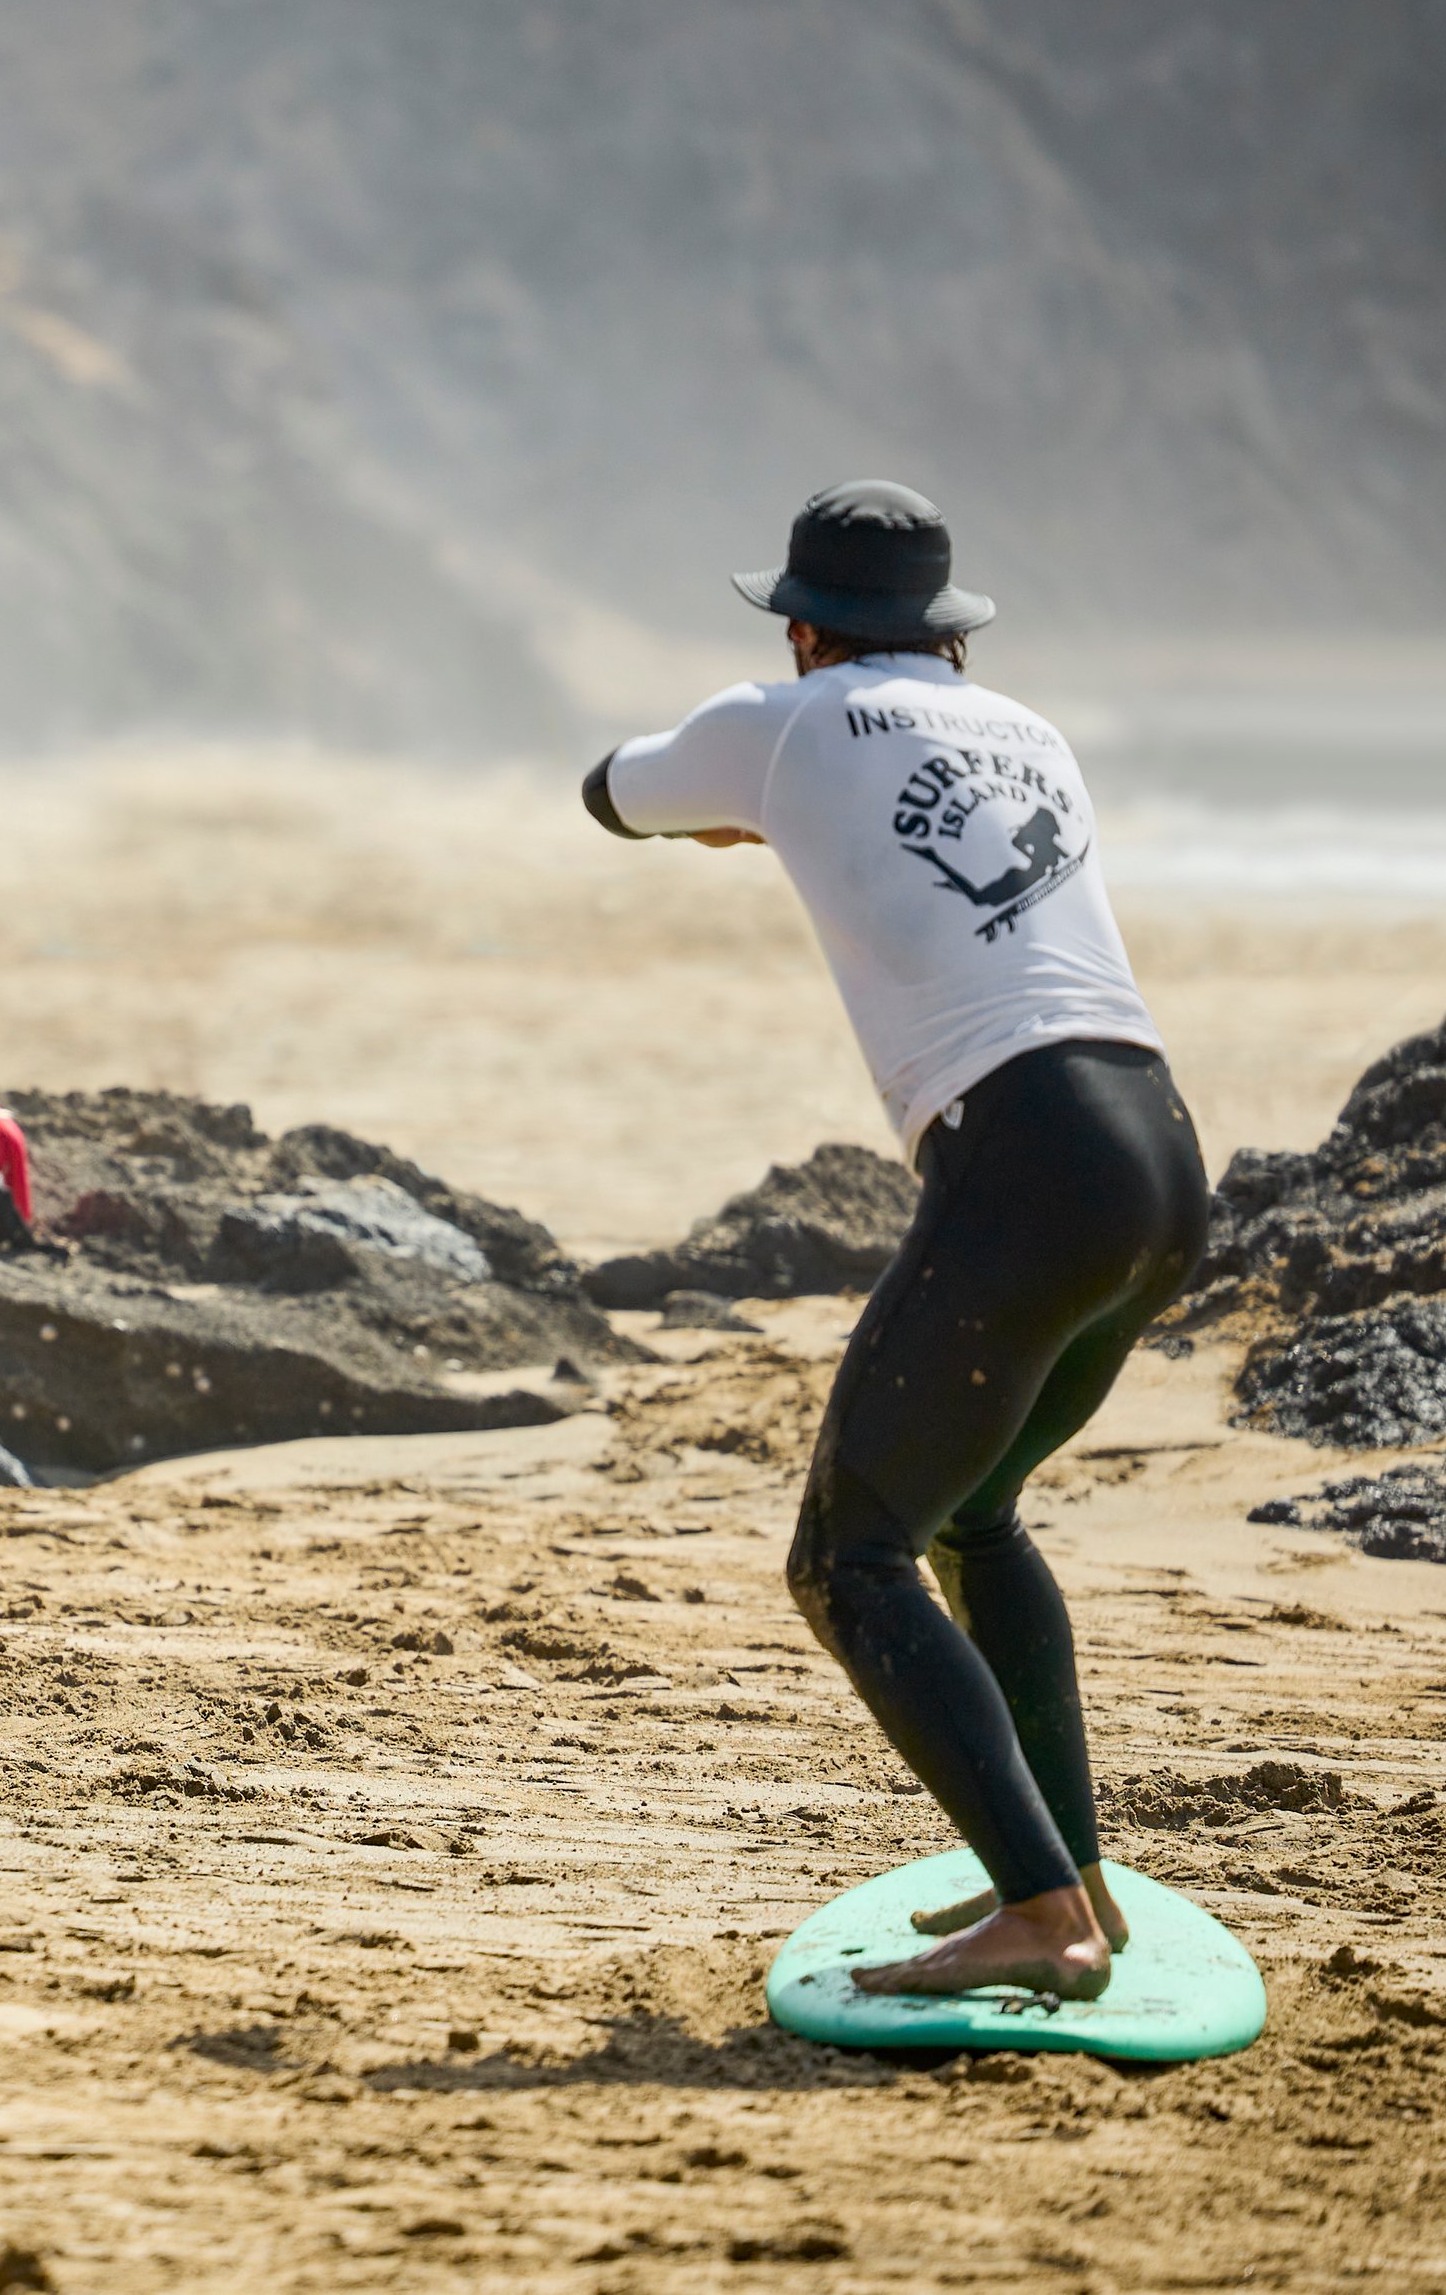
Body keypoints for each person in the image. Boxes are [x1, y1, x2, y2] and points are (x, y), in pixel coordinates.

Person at [585, 481, 1206, 2003]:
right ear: (945, 633)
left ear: (804, 626)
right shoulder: (1036, 734)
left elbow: (609, 788)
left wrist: (739, 805)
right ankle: (1079, 1881)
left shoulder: (786, 719)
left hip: (1022, 1162)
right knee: (975, 1518)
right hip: (1161, 1153)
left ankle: (1041, 1913)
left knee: (849, 1554)